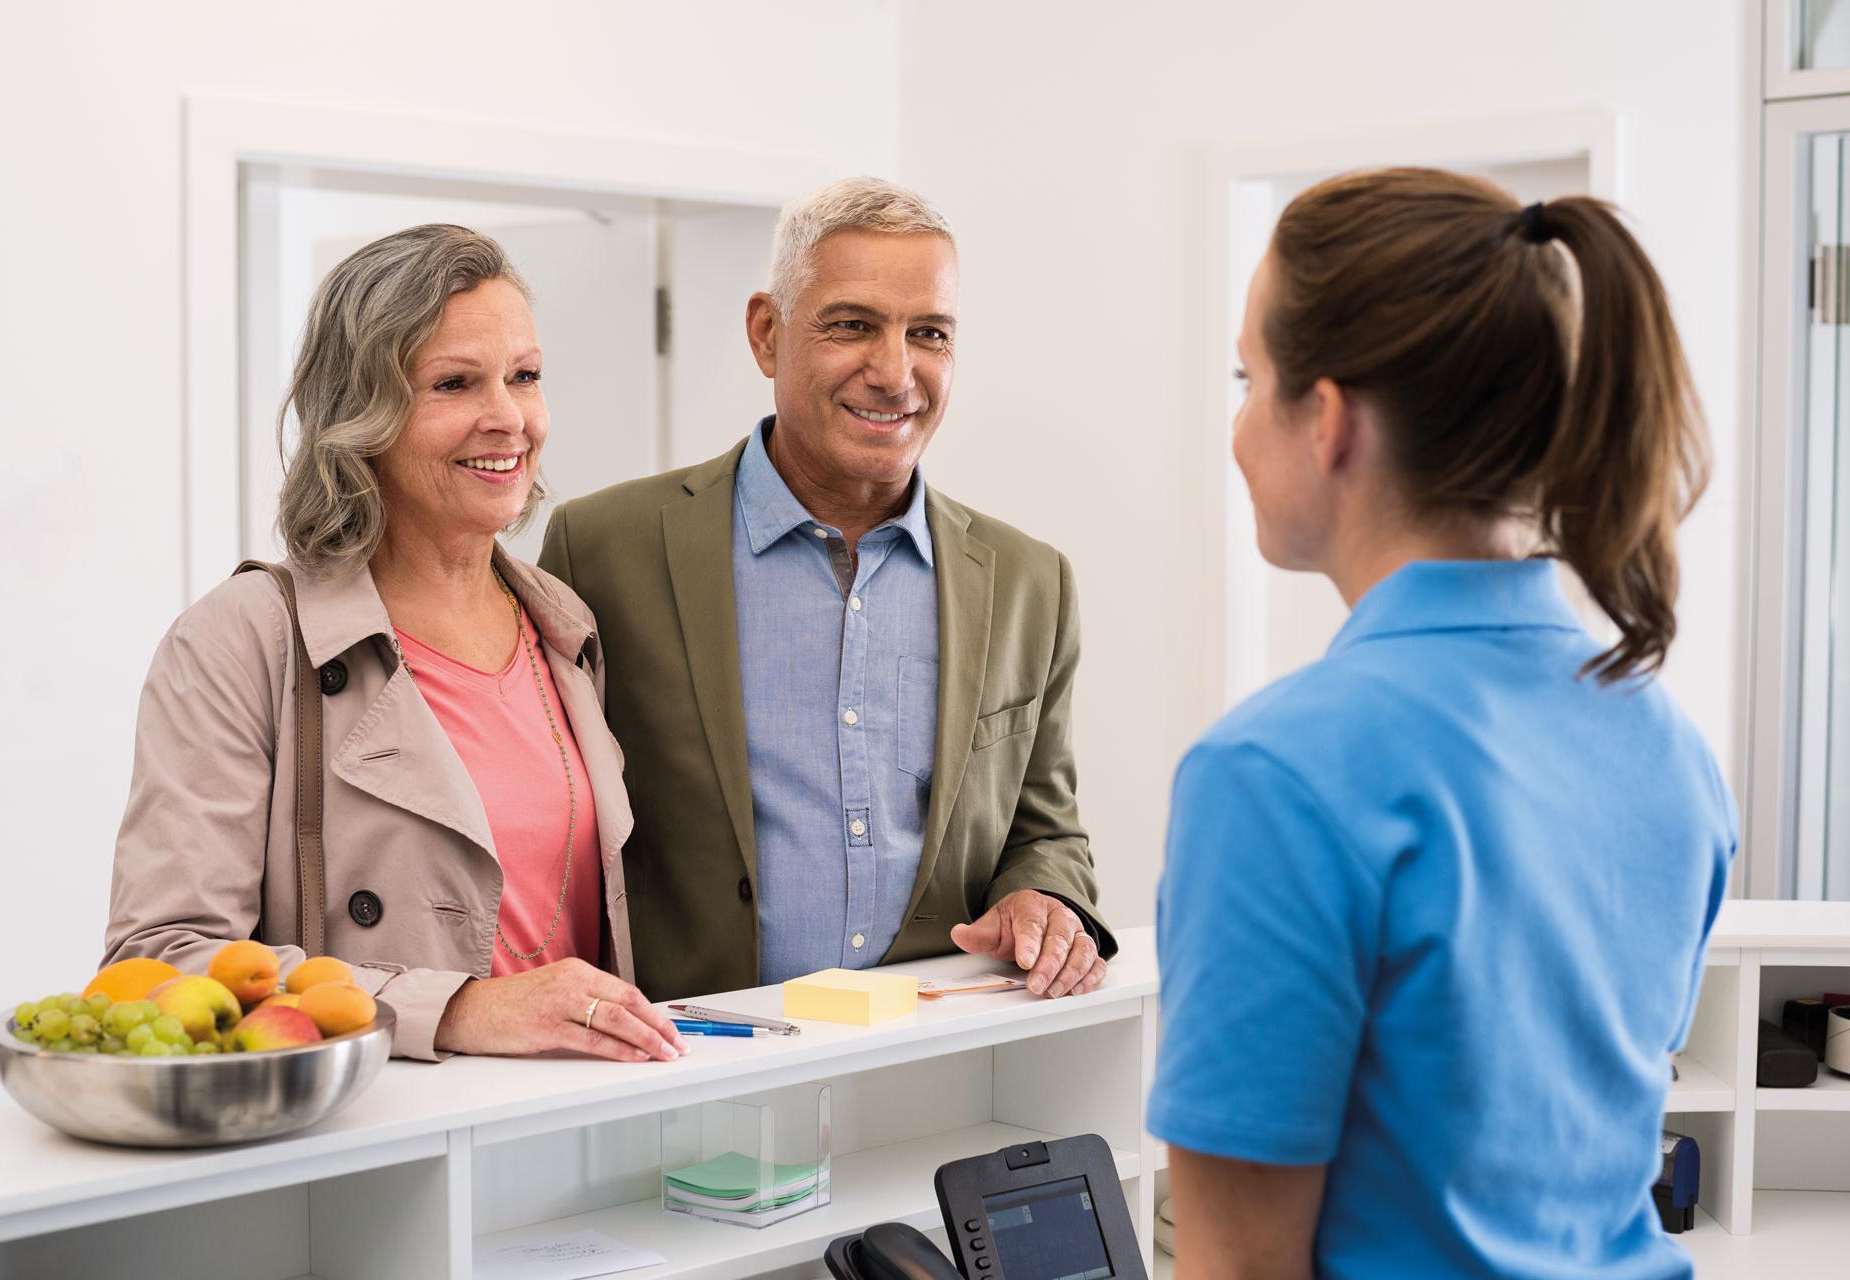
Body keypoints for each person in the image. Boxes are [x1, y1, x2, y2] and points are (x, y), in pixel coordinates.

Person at [1148, 170, 1734, 1278]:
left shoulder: (1272, 774)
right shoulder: (1666, 744)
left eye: (1249, 377)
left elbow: (1239, 1264)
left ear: (1326, 420)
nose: (1235, 427)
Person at [104, 224, 683, 1065]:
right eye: (454, 383)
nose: (509, 418)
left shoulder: (565, 625)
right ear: (360, 416)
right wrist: (454, 1010)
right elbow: (158, 958)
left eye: (525, 377)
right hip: (374, 1135)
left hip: (579, 1127)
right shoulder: (242, 640)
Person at [538, 177, 1113, 1002]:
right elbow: (551, 830)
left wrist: (1045, 897)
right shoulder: (603, 550)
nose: (895, 371)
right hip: (688, 1071)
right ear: (767, 335)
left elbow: (1046, 830)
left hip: (933, 1067)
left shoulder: (1031, 582)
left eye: (930, 333)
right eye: (852, 326)